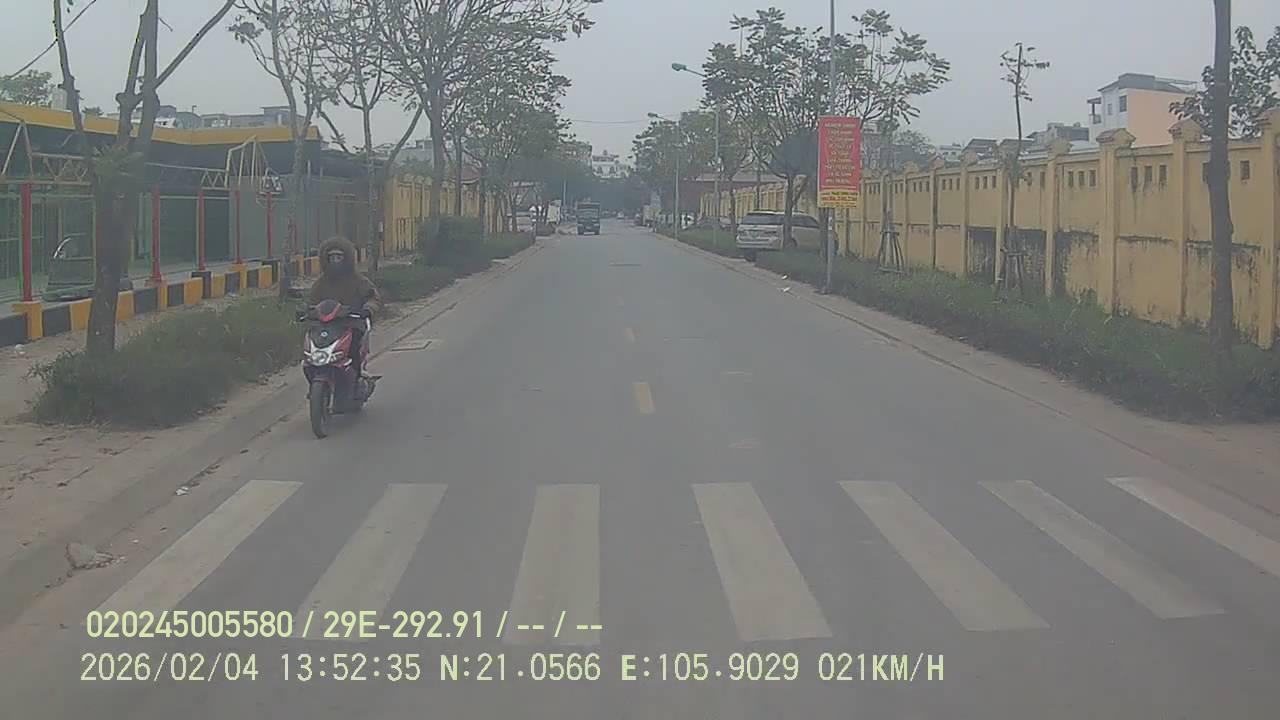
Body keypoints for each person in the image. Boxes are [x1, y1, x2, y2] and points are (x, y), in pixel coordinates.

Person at [308, 236, 381, 377]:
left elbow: (373, 297)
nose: (335, 261)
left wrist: (368, 309)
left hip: (351, 324)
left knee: (354, 349)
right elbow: (311, 302)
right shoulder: (320, 284)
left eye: (339, 257)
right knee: (310, 350)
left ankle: (358, 375)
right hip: (326, 326)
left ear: (347, 258)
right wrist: (306, 311)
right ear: (325, 259)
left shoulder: (358, 281)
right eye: (332, 257)